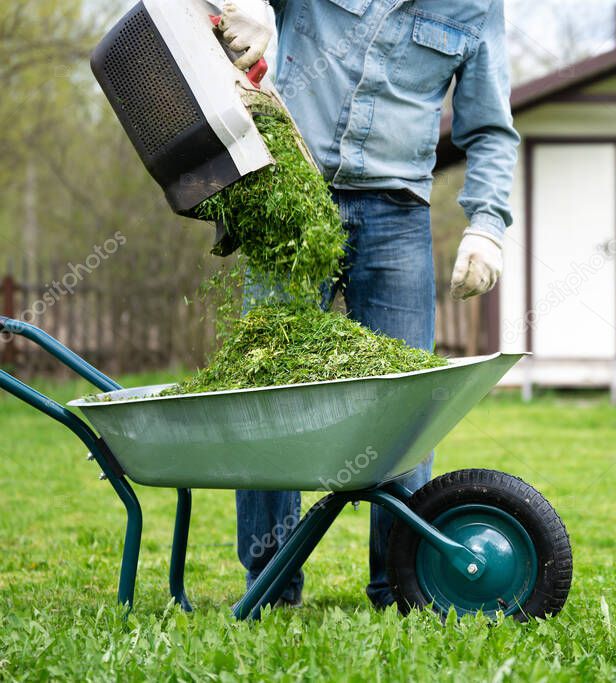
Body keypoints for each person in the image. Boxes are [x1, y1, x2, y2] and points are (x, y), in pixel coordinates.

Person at [221, 0, 519, 608]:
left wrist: (487, 224)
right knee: (267, 395)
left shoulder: (475, 8)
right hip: (291, 195)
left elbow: (489, 129)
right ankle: (271, 586)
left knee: (407, 408)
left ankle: (401, 585)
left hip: (398, 214)